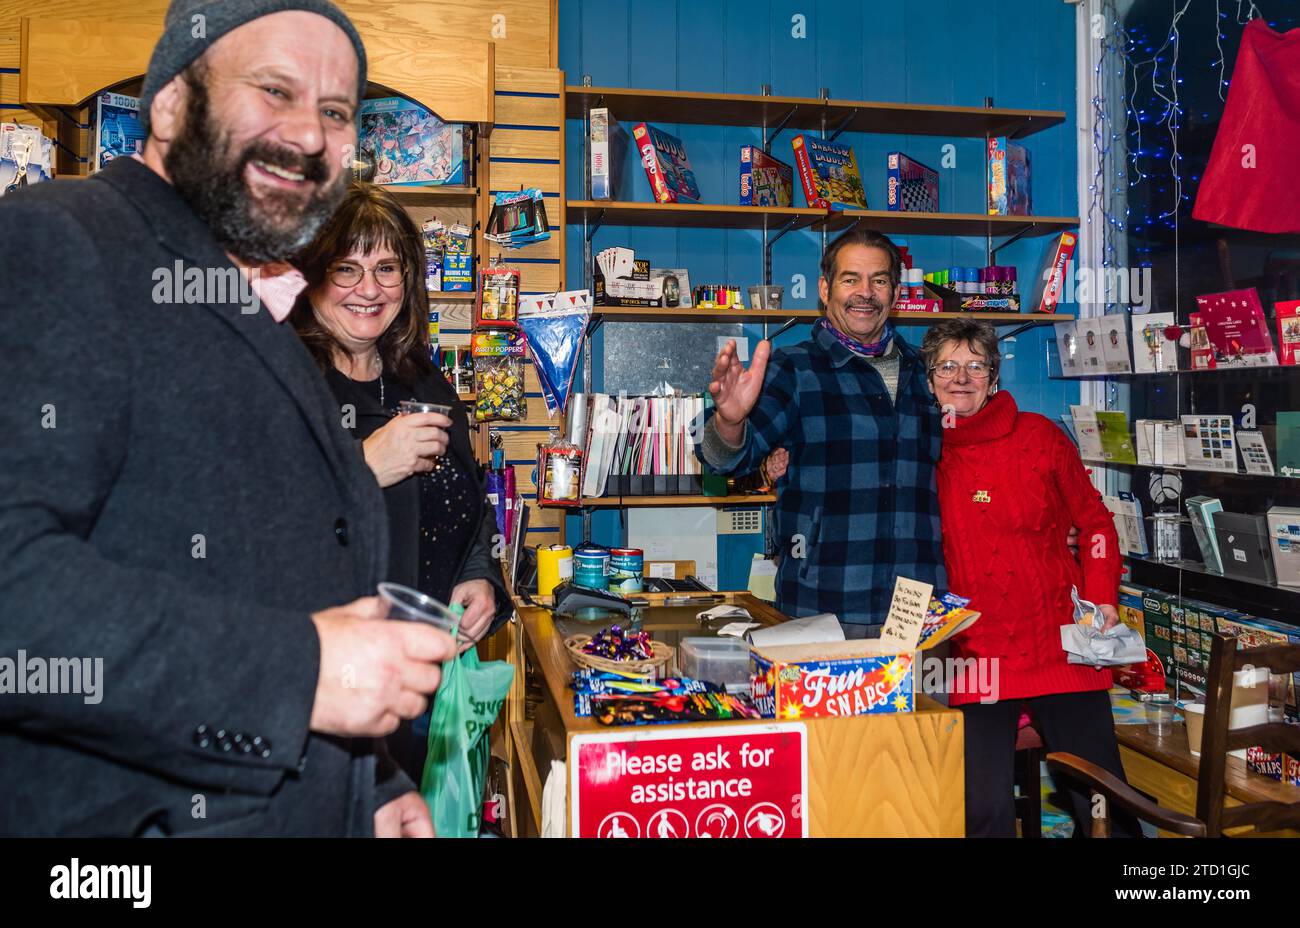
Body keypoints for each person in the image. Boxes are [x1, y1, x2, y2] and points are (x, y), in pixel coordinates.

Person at [0, 0, 455, 837]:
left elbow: (277, 580)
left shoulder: (257, 301)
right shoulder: (58, 244)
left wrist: (374, 786)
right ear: (170, 102)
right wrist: (300, 674)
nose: (311, 135)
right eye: (275, 89)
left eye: (336, 112)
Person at [290, 181, 512, 781]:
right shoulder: (279, 380)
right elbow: (242, 535)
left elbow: (469, 510)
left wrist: (478, 582)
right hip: (317, 690)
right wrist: (363, 468)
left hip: (419, 687)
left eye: (387, 268)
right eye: (347, 268)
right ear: (311, 276)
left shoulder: (423, 383)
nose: (369, 289)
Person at [921, 318, 1140, 838]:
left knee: (1103, 801)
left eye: (976, 365)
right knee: (980, 811)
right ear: (928, 380)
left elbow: (1095, 524)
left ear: (994, 377)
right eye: (947, 366)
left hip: (1061, 647)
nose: (961, 377)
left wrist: (1102, 598)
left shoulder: (1041, 437)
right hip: (973, 653)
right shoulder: (920, 450)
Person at [699, 227, 945, 635]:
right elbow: (726, 458)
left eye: (879, 280)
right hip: (822, 609)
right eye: (851, 279)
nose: (865, 292)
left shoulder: (927, 371)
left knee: (928, 703)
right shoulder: (793, 368)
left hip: (919, 614)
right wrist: (729, 420)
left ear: (896, 293)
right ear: (824, 288)